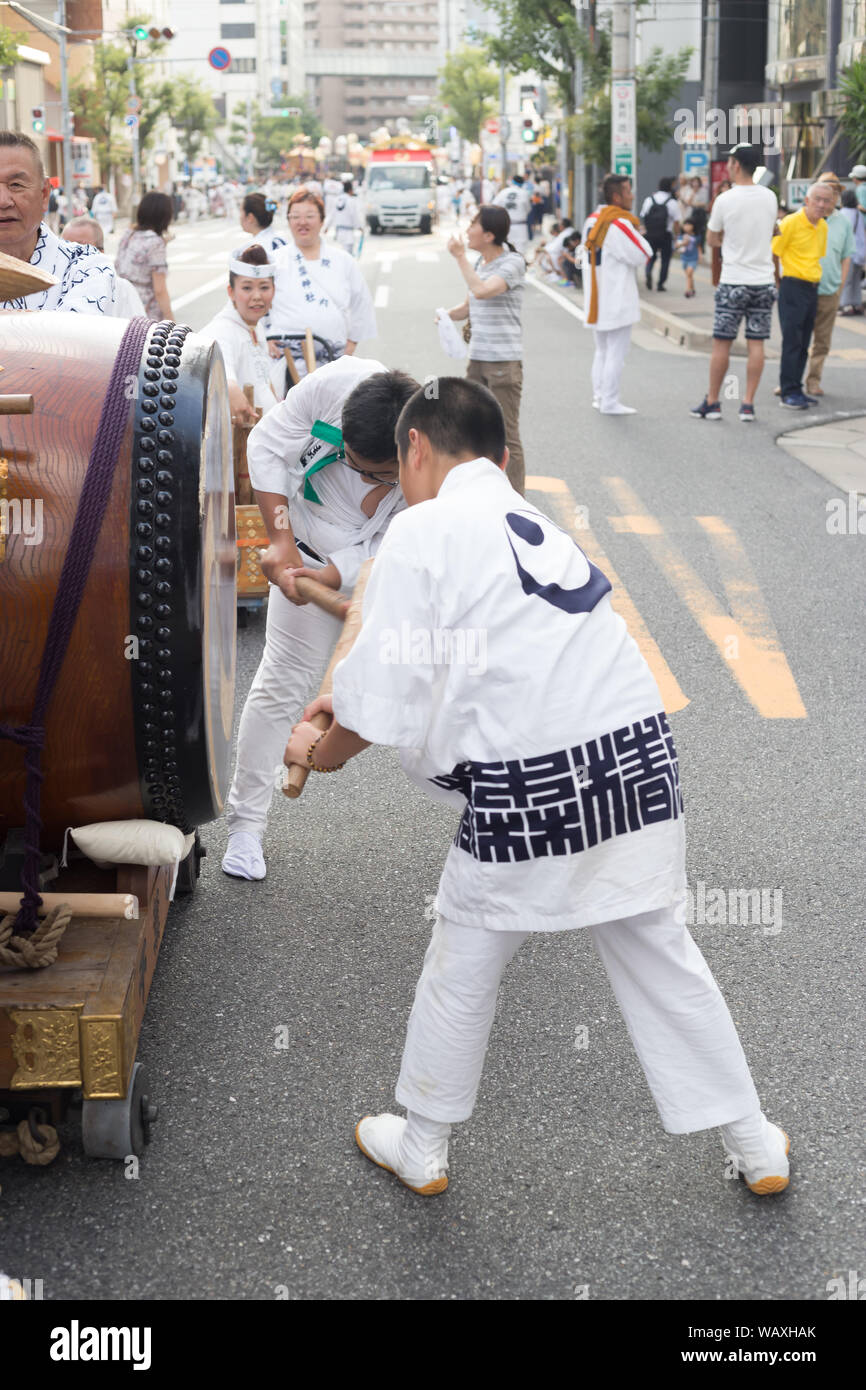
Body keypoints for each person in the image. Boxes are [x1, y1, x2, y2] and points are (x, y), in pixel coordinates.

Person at [284, 376, 792, 1201]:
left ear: (414, 447)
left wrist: (325, 744)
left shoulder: (423, 528)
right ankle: (753, 1141)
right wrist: (355, 705)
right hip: (635, 758)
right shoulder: (528, 520)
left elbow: (383, 704)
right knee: (662, 954)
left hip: (537, 783)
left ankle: (421, 1144)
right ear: (501, 454)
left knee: (464, 958)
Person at [221, 359, 420, 880]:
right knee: (279, 686)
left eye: (373, 472)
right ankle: (245, 826)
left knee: (420, 701)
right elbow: (265, 445)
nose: (357, 474)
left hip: (389, 576)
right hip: (302, 552)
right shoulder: (333, 385)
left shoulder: (433, 454)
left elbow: (402, 542)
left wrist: (336, 575)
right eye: (351, 460)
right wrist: (281, 538)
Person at [691, 143, 777, 422]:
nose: (728, 166)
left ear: (736, 165)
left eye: (729, 162)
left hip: (733, 281)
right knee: (757, 344)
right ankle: (748, 404)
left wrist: (728, 241)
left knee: (722, 344)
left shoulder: (725, 199)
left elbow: (712, 238)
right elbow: (772, 231)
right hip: (763, 281)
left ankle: (713, 402)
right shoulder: (769, 197)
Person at [444, 204, 527, 494]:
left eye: (473, 225)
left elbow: (483, 291)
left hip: (503, 362)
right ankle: (482, 492)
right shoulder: (480, 264)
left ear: (489, 234)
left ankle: (515, 500)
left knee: (505, 435)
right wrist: (446, 315)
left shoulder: (512, 263)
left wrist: (459, 257)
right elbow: (470, 304)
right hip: (477, 359)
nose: (468, 230)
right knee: (474, 430)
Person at [0, 130, 116, 314]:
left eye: (16, 185)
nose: (3, 201)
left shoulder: (85, 265)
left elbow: (73, 336)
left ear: (44, 193)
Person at [268, 187, 377, 376]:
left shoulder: (342, 260)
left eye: (310, 216)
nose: (302, 222)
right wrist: (265, 338)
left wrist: (350, 347)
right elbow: (257, 305)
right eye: (295, 217)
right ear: (288, 221)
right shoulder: (274, 261)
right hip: (285, 364)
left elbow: (362, 304)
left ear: (322, 220)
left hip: (333, 361)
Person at [582, 172, 651, 416]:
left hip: (595, 295)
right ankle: (609, 401)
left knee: (601, 350)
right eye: (628, 191)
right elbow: (643, 253)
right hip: (616, 294)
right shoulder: (618, 223)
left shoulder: (592, 220)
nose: (632, 196)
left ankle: (599, 395)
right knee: (616, 352)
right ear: (616, 196)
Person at [198, 245, 286, 422]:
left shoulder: (255, 326)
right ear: (231, 292)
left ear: (273, 290)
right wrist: (229, 387)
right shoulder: (221, 330)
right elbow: (221, 371)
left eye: (264, 287)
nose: (257, 296)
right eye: (247, 288)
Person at [771, 181, 836, 409]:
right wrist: (779, 284)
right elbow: (774, 253)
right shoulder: (789, 223)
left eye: (826, 201)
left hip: (811, 287)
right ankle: (787, 391)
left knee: (804, 341)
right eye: (817, 199)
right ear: (806, 200)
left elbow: (816, 258)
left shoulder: (823, 226)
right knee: (792, 340)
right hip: (792, 285)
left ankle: (796, 388)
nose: (821, 204)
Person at [804, 174, 854, 396]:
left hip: (829, 289)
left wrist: (840, 285)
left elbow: (846, 256)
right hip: (802, 288)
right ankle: (791, 383)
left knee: (822, 341)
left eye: (835, 191)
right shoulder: (801, 218)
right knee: (797, 338)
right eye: (826, 190)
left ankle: (813, 380)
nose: (830, 195)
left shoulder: (842, 221)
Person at [60, 216, 145, 317]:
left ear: (101, 252)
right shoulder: (52, 286)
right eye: (64, 248)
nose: (71, 255)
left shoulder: (122, 289)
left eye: (80, 249)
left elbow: (137, 328)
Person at [115, 190, 174, 321]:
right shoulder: (155, 243)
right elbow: (160, 290)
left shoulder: (128, 234)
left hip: (123, 303)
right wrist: (171, 320)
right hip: (146, 311)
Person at [640, 176, 679, 291]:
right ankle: (660, 284)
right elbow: (676, 221)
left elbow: (643, 215)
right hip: (666, 234)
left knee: (651, 257)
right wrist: (676, 236)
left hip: (651, 233)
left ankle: (648, 272)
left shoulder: (649, 199)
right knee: (665, 260)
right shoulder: (672, 202)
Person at [839, 189, 866, 316]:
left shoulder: (842, 214)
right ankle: (857, 304)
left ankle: (846, 305)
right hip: (860, 251)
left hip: (849, 252)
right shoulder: (858, 213)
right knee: (856, 280)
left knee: (846, 279)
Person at [240, 191, 288, 258]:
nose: (240, 217)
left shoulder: (251, 250)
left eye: (241, 211)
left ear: (250, 217)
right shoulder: (281, 240)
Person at [493, 174, 532, 253]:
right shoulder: (524, 193)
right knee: (520, 252)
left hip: (506, 226)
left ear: (512, 182)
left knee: (506, 251)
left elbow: (494, 206)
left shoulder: (503, 192)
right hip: (521, 226)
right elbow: (528, 209)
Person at [326, 179, 362, 254]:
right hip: (348, 234)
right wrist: (359, 227)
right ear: (350, 190)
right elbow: (354, 216)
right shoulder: (351, 200)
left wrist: (326, 227)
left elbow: (331, 215)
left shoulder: (336, 200)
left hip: (339, 233)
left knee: (339, 255)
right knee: (347, 257)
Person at [675, 219, 699, 297]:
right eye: (685, 225)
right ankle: (693, 289)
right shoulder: (681, 236)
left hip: (693, 258)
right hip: (684, 258)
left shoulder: (696, 236)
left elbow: (699, 246)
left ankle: (688, 290)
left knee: (689, 273)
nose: (687, 226)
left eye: (689, 224)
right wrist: (683, 243)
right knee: (689, 275)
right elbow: (676, 246)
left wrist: (700, 255)